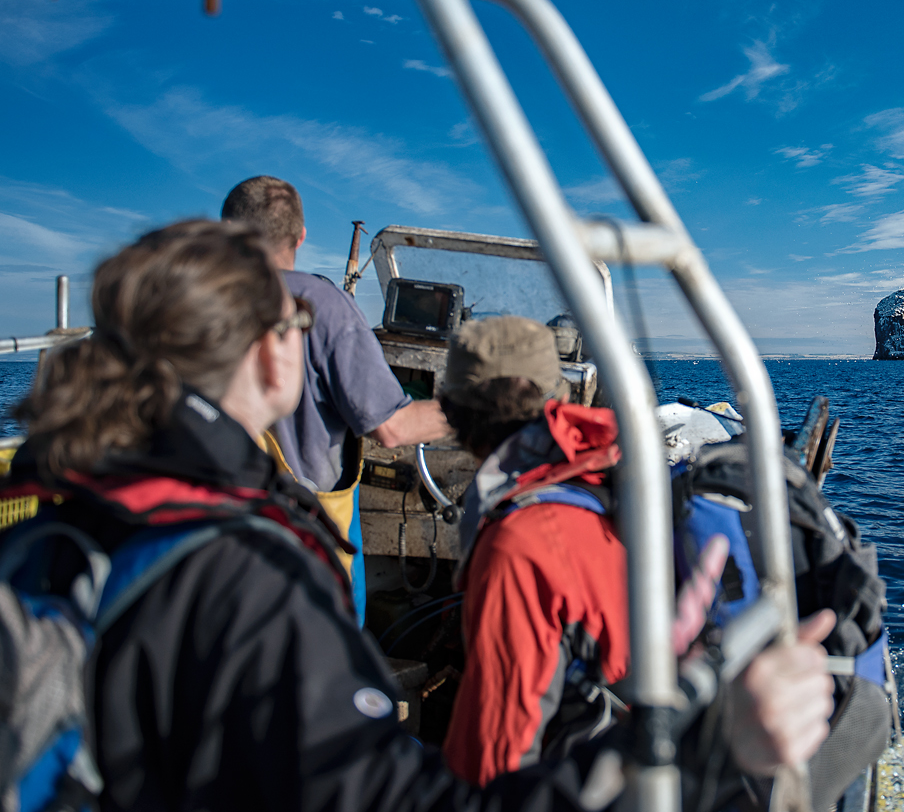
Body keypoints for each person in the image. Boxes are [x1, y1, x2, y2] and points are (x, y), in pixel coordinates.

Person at [0, 220, 834, 812]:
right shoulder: (239, 574)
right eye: (300, 318)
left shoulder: (52, 522)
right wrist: (707, 751)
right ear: (267, 348)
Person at [436, 317, 836, 795]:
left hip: (598, 783)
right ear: (557, 397)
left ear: (452, 412)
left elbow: (493, 762)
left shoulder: (519, 546)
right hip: (668, 745)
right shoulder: (613, 471)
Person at [221, 175, 450, 621]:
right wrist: (473, 412)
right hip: (303, 543)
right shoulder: (322, 306)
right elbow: (393, 428)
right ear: (301, 235)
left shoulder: (188, 303)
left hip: (207, 532)